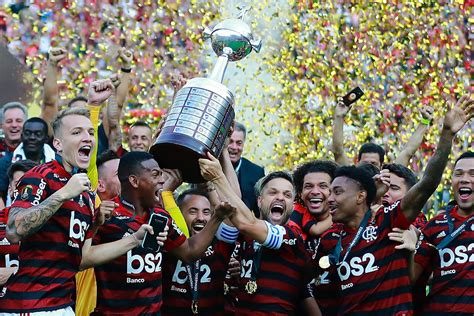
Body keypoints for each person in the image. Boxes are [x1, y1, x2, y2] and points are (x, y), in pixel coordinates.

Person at [315, 95, 473, 315]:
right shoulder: (328, 240)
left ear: (361, 196)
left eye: (337, 192)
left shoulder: (388, 222)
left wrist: (446, 134)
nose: (328, 198)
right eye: (330, 191)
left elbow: (427, 183)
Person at [0, 105, 152, 313]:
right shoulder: (40, 176)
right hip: (30, 305)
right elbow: (14, 230)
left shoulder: (87, 194)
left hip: (63, 304)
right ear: (58, 144)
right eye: (77, 132)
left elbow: (83, 257)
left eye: (90, 132)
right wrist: (62, 194)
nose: (87, 137)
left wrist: (134, 239)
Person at [92, 151, 235, 314]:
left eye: (161, 174)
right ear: (134, 181)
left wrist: (217, 217)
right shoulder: (107, 215)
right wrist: (123, 237)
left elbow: (189, 252)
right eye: (155, 174)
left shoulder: (160, 216)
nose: (162, 180)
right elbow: (82, 259)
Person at [199, 155, 318, 315]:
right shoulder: (242, 238)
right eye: (273, 192)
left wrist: (218, 177)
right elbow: (231, 207)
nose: (280, 198)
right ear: (260, 201)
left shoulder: (292, 237)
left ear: (292, 206)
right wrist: (225, 152)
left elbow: (247, 222)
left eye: (287, 195)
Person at [410, 151, 474, 315]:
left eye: (472, 174)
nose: (464, 179)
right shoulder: (435, 226)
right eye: (458, 174)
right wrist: (410, 250)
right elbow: (411, 279)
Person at [162, 188, 238, 315]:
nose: (200, 218)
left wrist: (211, 182)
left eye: (206, 212)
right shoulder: (168, 244)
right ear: (179, 214)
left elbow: (232, 206)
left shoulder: (221, 245)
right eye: (193, 211)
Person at [332, 97, 434, 169]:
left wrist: (425, 121)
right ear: (357, 163)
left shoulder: (389, 183)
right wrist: (339, 116)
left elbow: (408, 152)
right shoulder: (351, 179)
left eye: (373, 163)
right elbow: (338, 151)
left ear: (381, 166)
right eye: (365, 163)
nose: (369, 167)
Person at [0, 160, 38, 296]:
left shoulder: (54, 222)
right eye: (19, 184)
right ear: (10, 190)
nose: (26, 190)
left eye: (31, 184)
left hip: (43, 303)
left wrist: (14, 271)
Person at [0, 117, 54, 207]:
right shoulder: (6, 162)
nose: (32, 137)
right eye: (28, 133)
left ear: (46, 139)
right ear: (22, 136)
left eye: (38, 134)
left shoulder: (58, 162)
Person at [227, 122, 265, 217]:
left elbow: (260, 211)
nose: (234, 147)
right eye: (230, 142)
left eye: (239, 143)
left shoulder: (256, 173)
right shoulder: (210, 165)